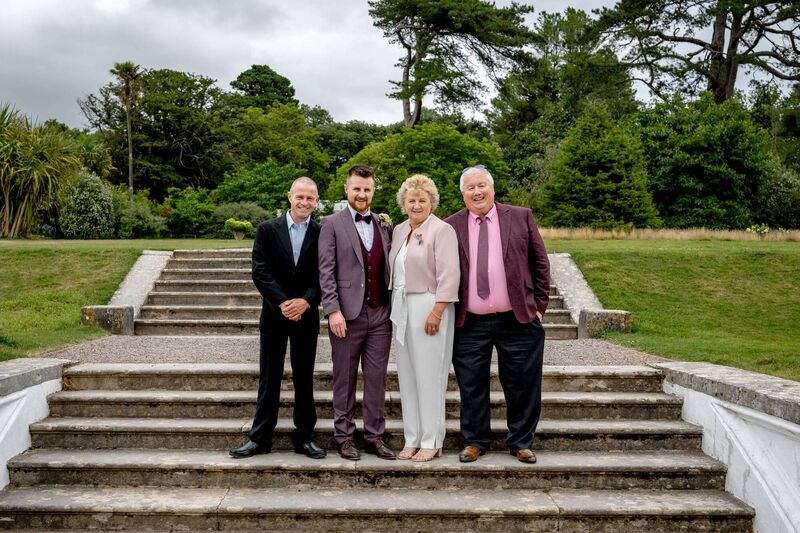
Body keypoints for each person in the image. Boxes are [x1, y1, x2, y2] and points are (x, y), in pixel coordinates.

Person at [445, 165, 550, 464]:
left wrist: (539, 307)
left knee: (523, 383)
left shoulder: (520, 216)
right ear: (463, 193)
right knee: (471, 384)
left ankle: (521, 441)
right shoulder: (450, 225)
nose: (477, 192)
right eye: (470, 188)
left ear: (492, 188)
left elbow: (540, 262)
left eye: (482, 186)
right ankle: (475, 440)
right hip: (469, 322)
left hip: (517, 318)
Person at [229, 177, 326, 460]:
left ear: (316, 201)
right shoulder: (267, 230)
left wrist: (307, 300)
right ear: (289, 196)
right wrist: (283, 302)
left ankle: (304, 437)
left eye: (310, 198)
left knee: (304, 378)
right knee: (269, 377)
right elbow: (259, 271)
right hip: (274, 314)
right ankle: (260, 438)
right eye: (300, 196)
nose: (304, 202)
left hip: (306, 315)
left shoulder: (322, 233)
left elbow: (325, 272)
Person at [318, 164, 396, 461]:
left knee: (377, 379)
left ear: (373, 191)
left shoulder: (383, 223)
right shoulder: (331, 223)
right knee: (345, 378)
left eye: (367, 189)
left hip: (380, 314)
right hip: (346, 315)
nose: (362, 194)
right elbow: (325, 270)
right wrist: (332, 310)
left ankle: (374, 436)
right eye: (357, 189)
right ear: (346, 189)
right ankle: (344, 436)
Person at [388, 175, 459, 462]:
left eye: (422, 200)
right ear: (403, 203)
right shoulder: (399, 230)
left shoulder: (442, 230)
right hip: (401, 304)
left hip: (429, 304)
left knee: (430, 376)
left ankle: (432, 440)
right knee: (407, 375)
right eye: (411, 200)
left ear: (432, 202)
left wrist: (437, 311)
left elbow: (450, 274)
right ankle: (412, 437)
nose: (416, 205)